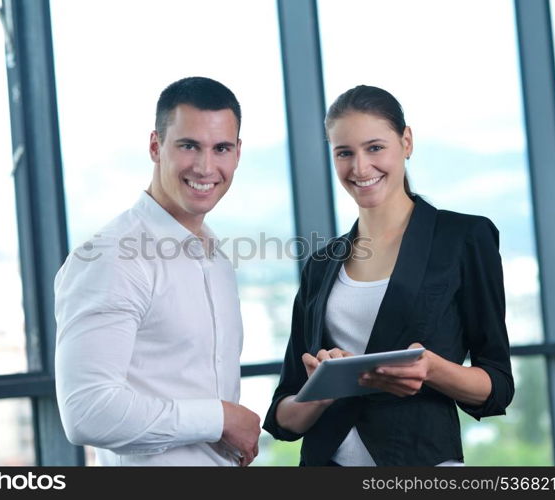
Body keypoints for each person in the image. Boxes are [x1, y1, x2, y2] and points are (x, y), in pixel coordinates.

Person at [263, 85, 514, 466]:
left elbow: (497, 386)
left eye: (375, 147)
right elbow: (283, 416)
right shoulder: (321, 264)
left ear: (406, 141)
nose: (360, 168)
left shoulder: (463, 239)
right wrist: (324, 388)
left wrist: (431, 369)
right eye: (344, 152)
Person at [54, 76, 261, 466]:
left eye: (221, 148)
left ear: (237, 153)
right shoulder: (110, 257)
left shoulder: (215, 258)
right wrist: (219, 418)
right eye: (188, 146)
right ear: (155, 146)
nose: (206, 166)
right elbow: (87, 412)